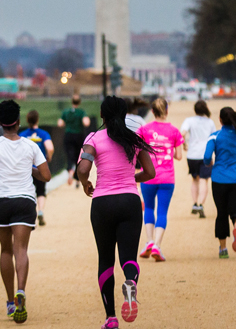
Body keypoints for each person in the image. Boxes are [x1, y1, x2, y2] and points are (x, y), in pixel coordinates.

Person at [77, 96, 156, 329]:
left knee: (105, 259)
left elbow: (83, 168)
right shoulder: (134, 139)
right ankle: (130, 281)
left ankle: (110, 318)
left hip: (102, 203)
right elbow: (150, 172)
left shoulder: (93, 138)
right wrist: (131, 178)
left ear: (102, 115)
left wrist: (85, 183)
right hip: (130, 201)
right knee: (128, 257)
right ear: (124, 115)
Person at [0, 100, 51, 324]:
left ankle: (10, 301)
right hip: (24, 200)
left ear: (0, 122)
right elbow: (46, 175)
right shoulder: (30, 146)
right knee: (21, 250)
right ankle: (21, 290)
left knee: (5, 250)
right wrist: (30, 170)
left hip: (0, 200)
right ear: (18, 122)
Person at [204, 107, 236, 259]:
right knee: (235, 209)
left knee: (221, 213)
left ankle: (223, 249)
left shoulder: (215, 136)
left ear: (220, 120)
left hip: (219, 179)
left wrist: (210, 163)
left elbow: (206, 157)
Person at [136, 98, 183, 262]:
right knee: (162, 211)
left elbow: (137, 149)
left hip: (148, 175)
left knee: (148, 208)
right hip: (167, 177)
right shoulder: (174, 131)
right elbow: (179, 156)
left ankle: (149, 242)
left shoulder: (144, 129)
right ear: (167, 111)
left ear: (153, 112)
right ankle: (157, 244)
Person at [180, 100, 217, 218]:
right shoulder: (210, 122)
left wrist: (184, 144)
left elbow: (182, 133)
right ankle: (201, 204)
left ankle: (195, 203)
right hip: (205, 154)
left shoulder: (189, 120)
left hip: (192, 154)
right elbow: (214, 138)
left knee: (194, 179)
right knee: (204, 180)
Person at [19, 110, 54, 226]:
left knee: (28, 192)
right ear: (37, 120)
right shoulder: (43, 134)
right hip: (40, 168)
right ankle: (40, 211)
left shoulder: (22, 135)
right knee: (41, 191)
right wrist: (48, 157)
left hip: (26, 169)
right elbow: (50, 147)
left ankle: (30, 214)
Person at [58, 95, 91, 186]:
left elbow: (60, 123)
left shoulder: (66, 112)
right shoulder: (81, 112)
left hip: (68, 135)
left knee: (69, 155)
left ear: (71, 102)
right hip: (79, 136)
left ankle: (70, 172)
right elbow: (86, 122)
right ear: (79, 102)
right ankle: (77, 179)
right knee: (78, 156)